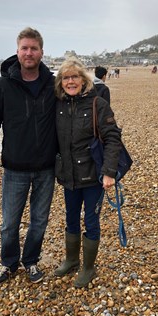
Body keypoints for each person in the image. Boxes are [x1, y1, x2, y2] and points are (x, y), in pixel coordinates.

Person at [0, 27, 57, 286]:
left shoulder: (52, 84)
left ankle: (31, 260)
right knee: (9, 224)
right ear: (17, 51)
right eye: (24, 48)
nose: (29, 53)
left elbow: (74, 103)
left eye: (34, 48)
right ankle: (9, 262)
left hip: (47, 168)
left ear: (41, 53)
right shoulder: (1, 86)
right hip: (14, 169)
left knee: (39, 221)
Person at [54, 59, 123, 288]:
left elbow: (113, 138)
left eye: (75, 77)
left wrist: (109, 172)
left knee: (91, 222)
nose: (70, 81)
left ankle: (88, 267)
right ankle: (72, 260)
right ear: (60, 82)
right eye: (66, 77)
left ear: (83, 80)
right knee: (70, 218)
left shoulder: (97, 104)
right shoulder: (58, 105)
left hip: (93, 177)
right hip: (69, 176)